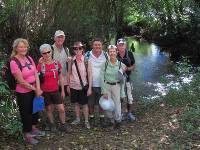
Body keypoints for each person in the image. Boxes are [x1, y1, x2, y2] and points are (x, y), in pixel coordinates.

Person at [10, 38, 44, 145]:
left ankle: (33, 128)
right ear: (16, 48)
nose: (23, 48)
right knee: (26, 113)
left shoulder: (29, 58)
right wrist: (35, 89)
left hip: (34, 89)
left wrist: (38, 88)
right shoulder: (13, 62)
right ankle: (27, 134)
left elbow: (36, 74)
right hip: (23, 92)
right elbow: (21, 81)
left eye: (25, 46)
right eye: (21, 47)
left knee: (35, 110)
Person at [37, 44, 69, 132]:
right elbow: (37, 79)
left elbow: (61, 77)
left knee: (61, 109)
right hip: (45, 92)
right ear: (42, 54)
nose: (47, 54)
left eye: (48, 52)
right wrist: (38, 91)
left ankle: (63, 125)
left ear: (51, 52)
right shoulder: (40, 66)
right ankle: (52, 124)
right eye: (44, 53)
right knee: (49, 109)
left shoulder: (56, 63)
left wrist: (62, 90)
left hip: (55, 90)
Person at [67, 42, 92, 129]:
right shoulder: (71, 60)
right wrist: (68, 85)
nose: (78, 50)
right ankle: (77, 119)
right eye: (75, 48)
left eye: (80, 48)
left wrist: (89, 88)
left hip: (83, 86)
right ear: (73, 50)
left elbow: (90, 75)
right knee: (76, 103)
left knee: (84, 104)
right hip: (73, 86)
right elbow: (69, 73)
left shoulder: (86, 60)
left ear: (83, 49)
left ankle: (86, 121)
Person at [100, 45, 126, 129]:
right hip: (107, 86)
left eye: (114, 51)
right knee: (107, 105)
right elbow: (101, 78)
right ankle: (111, 120)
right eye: (110, 51)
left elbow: (122, 80)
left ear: (116, 52)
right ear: (108, 53)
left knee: (117, 105)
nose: (112, 53)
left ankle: (118, 121)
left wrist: (122, 93)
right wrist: (103, 91)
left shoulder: (121, 65)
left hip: (116, 86)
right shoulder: (105, 64)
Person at [85, 38, 107, 127]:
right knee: (90, 103)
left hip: (102, 84)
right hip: (91, 84)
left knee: (102, 103)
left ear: (102, 46)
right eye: (95, 45)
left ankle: (102, 119)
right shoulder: (87, 55)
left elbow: (111, 66)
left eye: (99, 45)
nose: (97, 46)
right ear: (92, 46)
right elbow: (81, 65)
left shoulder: (105, 55)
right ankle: (92, 118)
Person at [116, 38, 137, 121]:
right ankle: (120, 113)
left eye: (123, 45)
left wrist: (127, 68)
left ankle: (129, 113)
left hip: (128, 79)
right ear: (117, 46)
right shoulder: (114, 54)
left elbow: (134, 66)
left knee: (129, 97)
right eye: (120, 45)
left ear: (125, 45)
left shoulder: (129, 54)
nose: (121, 46)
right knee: (119, 97)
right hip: (118, 80)